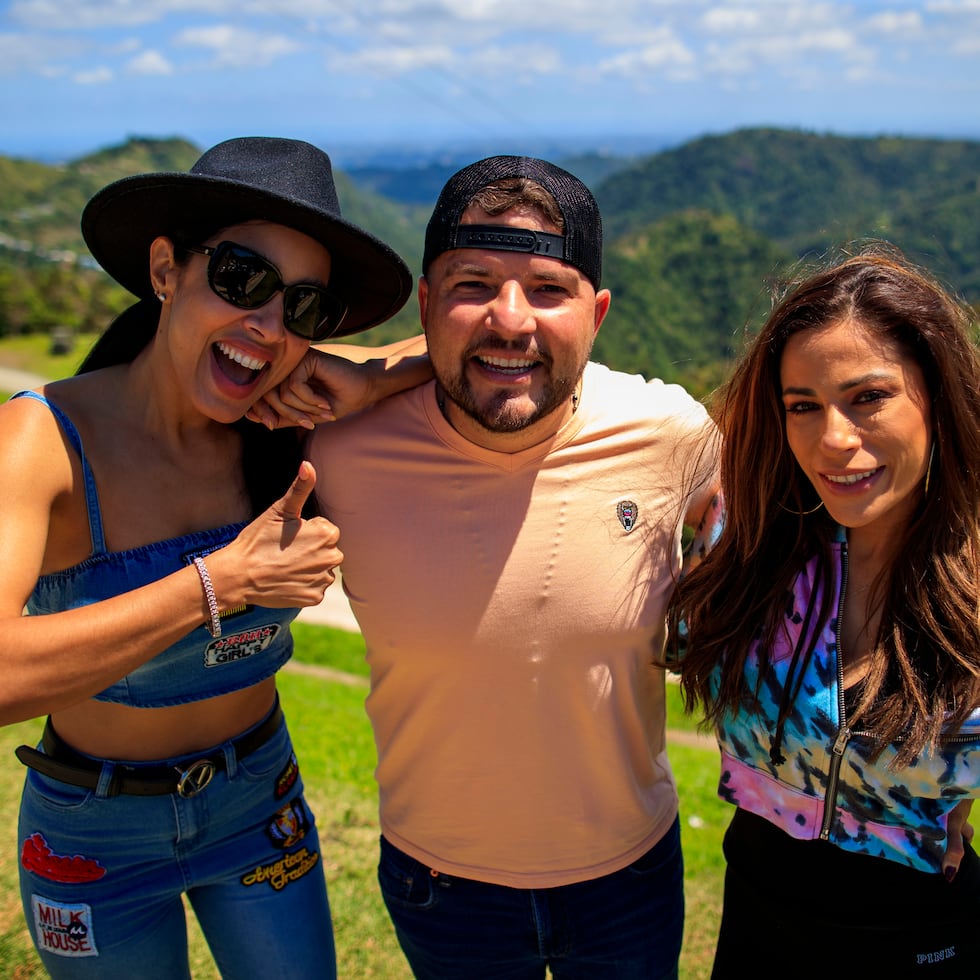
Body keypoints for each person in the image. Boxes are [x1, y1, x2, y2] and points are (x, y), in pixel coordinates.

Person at [2, 136, 429, 978]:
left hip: (255, 803)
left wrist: (373, 378)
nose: (267, 328)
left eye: (303, 308)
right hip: (91, 830)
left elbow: (477, 357)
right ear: (166, 270)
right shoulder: (42, 440)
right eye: (241, 278)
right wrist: (219, 584)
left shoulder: (280, 426)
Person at [291, 155, 720, 978]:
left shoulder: (671, 433)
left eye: (549, 291)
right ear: (426, 303)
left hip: (629, 872)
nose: (510, 319)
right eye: (473, 284)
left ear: (596, 314)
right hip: (441, 883)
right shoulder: (335, 450)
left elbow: (812, 511)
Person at [667, 246, 980, 977]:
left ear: (935, 395)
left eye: (869, 398)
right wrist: (381, 372)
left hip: (923, 933)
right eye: (803, 406)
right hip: (756, 917)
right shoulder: (743, 541)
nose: (833, 439)